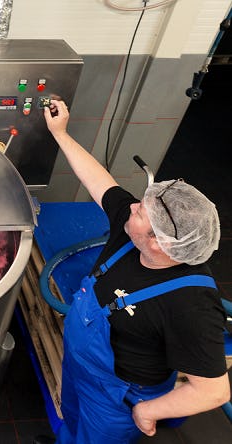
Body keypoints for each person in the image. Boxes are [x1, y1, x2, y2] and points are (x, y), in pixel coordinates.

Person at [33, 99, 230, 444]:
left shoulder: (192, 306)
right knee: (72, 418)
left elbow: (213, 391)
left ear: (160, 243)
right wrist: (60, 133)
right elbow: (100, 181)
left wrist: (148, 411)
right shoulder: (133, 231)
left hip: (116, 399)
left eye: (140, 212)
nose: (132, 206)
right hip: (80, 364)